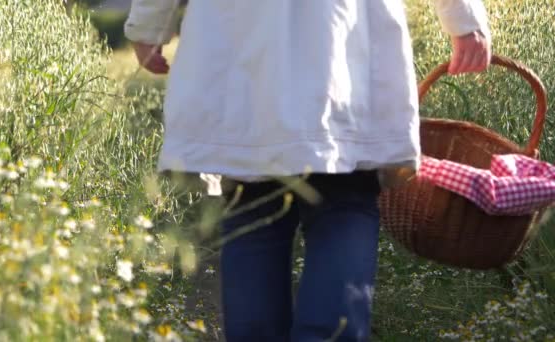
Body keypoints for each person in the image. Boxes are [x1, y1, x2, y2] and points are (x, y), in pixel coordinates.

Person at [125, 0, 491, 340]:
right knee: (343, 206)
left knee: (254, 211)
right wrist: (465, 19)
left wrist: (147, 26)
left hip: (245, 59)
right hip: (341, 52)